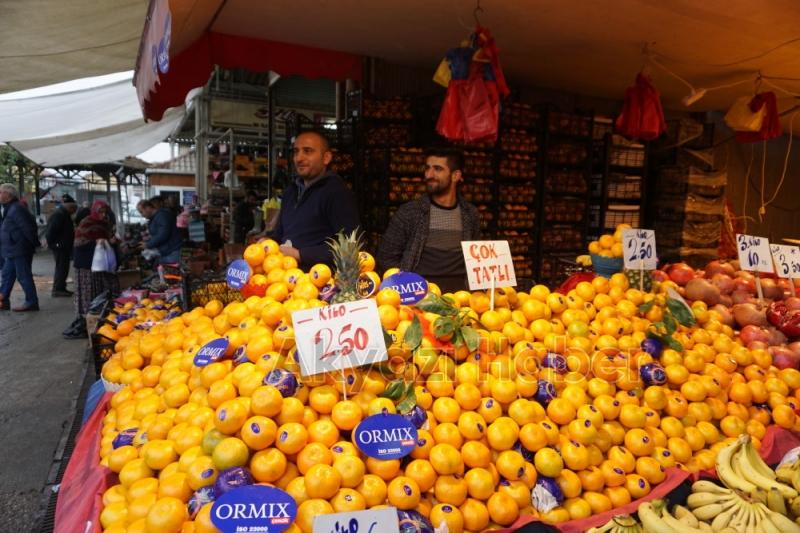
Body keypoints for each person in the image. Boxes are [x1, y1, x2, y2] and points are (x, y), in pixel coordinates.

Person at [377, 148, 481, 293]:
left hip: (462, 300)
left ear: (455, 176)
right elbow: (386, 258)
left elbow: (477, 261)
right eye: (427, 168)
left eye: (437, 169)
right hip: (419, 299)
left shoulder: (470, 214)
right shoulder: (410, 212)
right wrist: (408, 288)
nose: (429, 175)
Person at [271, 130, 359, 269]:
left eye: (308, 151)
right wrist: (267, 242)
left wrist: (301, 254)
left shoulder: (337, 193)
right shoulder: (290, 191)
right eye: (296, 151)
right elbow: (280, 233)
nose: (299, 158)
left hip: (318, 282)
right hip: (283, 276)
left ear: (326, 158)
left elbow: (350, 247)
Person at [63, 200, 119, 339]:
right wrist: (95, 242)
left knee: (102, 292)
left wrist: (111, 241)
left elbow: (108, 238)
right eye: (100, 211)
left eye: (105, 211)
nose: (103, 214)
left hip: (102, 266)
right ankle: (85, 321)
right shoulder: (86, 222)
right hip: (87, 265)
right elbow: (78, 243)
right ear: (94, 211)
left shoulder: (106, 223)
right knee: (88, 295)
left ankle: (100, 318)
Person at [0, 183, 40, 311]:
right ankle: (3, 300)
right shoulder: (10, 207)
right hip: (12, 249)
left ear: (8, 195)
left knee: (23, 276)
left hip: (19, 249)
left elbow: (28, 228)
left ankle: (32, 302)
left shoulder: (16, 208)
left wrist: (34, 244)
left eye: (1, 192)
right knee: (7, 275)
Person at [46, 194, 78, 296]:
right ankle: (58, 289)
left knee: (63, 268)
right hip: (60, 246)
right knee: (61, 268)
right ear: (70, 207)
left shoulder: (64, 214)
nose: (75, 211)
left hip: (63, 246)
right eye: (74, 208)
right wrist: (54, 244)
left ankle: (61, 287)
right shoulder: (59, 215)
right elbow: (51, 232)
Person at [137, 199, 183, 264]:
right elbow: (158, 234)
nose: (142, 215)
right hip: (167, 251)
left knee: (171, 273)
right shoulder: (155, 217)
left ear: (148, 208)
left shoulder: (162, 215)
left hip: (172, 252)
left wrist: (148, 244)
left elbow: (163, 234)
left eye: (141, 212)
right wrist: (147, 242)